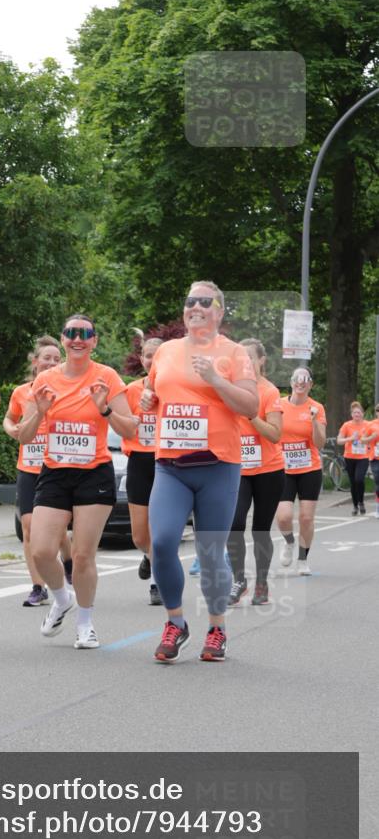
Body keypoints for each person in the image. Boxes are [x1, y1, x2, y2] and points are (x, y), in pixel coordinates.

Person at [142, 281, 257, 664]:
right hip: (171, 466)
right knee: (161, 543)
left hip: (218, 466)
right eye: (190, 300)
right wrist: (148, 398)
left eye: (205, 302)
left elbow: (250, 405)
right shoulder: (168, 352)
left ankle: (217, 627)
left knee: (210, 552)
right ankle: (176, 622)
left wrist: (216, 379)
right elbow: (156, 393)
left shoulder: (234, 352)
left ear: (220, 312)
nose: (196, 307)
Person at [18, 314, 138, 649]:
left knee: (84, 555)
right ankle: (61, 598)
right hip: (55, 473)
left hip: (93, 473)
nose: (77, 339)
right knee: (41, 551)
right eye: (71, 333)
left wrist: (105, 411)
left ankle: (85, 624)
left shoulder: (106, 377)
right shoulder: (46, 380)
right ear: (63, 338)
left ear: (94, 341)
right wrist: (40, 412)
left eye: (85, 334)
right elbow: (25, 437)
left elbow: (131, 429)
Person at [3, 336, 73, 607]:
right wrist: (12, 429)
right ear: (35, 362)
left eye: (57, 359)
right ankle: (37, 586)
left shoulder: (66, 390)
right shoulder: (22, 392)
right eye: (47, 358)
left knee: (55, 530)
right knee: (29, 527)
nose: (52, 363)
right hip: (29, 467)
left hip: (55, 467)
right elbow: (9, 419)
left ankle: (67, 559)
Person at [226, 339, 284, 606]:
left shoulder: (269, 392)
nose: (245, 364)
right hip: (238, 468)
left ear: (261, 361)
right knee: (234, 524)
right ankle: (240, 580)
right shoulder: (233, 390)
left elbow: (274, 434)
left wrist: (251, 416)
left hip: (268, 471)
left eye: (249, 358)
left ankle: (261, 582)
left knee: (261, 529)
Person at [121, 336, 163, 604]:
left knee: (159, 528)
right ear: (142, 358)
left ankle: (157, 584)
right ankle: (147, 555)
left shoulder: (175, 390)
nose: (152, 360)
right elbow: (121, 422)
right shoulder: (129, 391)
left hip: (165, 463)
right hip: (138, 461)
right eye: (148, 355)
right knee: (139, 535)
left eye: (158, 355)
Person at [276, 367, 327, 576]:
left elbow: (320, 443)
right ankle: (288, 541)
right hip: (283, 468)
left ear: (310, 384)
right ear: (291, 382)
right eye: (297, 379)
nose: (300, 383)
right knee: (284, 517)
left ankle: (303, 559)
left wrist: (314, 421)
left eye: (305, 380)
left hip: (309, 469)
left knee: (306, 518)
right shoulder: (278, 404)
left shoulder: (317, 407)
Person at [337, 401, 370, 515]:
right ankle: (355, 505)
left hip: (363, 457)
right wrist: (350, 438)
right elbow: (339, 440)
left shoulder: (367, 425)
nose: (357, 414)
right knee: (353, 482)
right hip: (349, 457)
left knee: (359, 479)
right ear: (352, 414)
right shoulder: (347, 425)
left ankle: (361, 502)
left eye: (359, 412)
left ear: (362, 414)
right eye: (355, 413)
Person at [362, 404, 379, 518]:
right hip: (375, 458)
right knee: (378, 482)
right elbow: (363, 440)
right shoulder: (371, 425)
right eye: (378, 410)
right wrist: (371, 438)